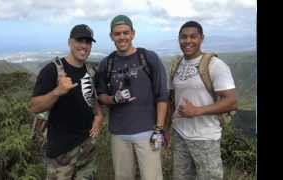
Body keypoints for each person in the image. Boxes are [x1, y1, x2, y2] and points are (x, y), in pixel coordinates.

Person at [96, 15, 169, 180]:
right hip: (119, 134)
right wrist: (113, 99)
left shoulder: (149, 58)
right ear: (111, 36)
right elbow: (101, 96)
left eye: (125, 32)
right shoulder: (106, 64)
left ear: (133, 33)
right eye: (117, 34)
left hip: (148, 132)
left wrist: (159, 129)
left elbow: (162, 96)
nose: (122, 37)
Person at [29, 24, 103, 180]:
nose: (84, 46)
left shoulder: (90, 72)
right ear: (70, 42)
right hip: (61, 152)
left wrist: (98, 115)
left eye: (88, 42)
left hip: (87, 149)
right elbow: (35, 106)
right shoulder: (52, 70)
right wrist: (57, 91)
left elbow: (91, 98)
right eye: (79, 40)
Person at [169, 21, 237, 180]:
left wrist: (198, 111)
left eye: (193, 36)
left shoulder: (215, 65)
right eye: (183, 37)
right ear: (179, 39)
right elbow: (172, 99)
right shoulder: (176, 64)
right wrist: (166, 129)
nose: (188, 41)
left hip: (205, 137)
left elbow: (232, 101)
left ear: (202, 38)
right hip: (180, 134)